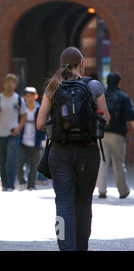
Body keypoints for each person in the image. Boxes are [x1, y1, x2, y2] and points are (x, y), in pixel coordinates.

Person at [36, 47, 110, 251]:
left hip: (60, 153)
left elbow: (40, 122)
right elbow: (107, 120)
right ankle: (81, 247)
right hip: (88, 152)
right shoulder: (94, 85)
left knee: (63, 203)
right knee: (84, 203)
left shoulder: (53, 86)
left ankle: (65, 247)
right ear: (81, 62)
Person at [97, 72, 134, 199]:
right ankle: (123, 191)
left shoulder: (102, 96)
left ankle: (102, 190)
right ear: (119, 82)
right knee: (119, 162)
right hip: (118, 134)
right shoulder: (123, 97)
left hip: (102, 133)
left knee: (103, 161)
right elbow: (130, 116)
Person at [0, 73, 27, 191]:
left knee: (11, 159)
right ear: (4, 84)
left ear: (16, 85)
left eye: (12, 82)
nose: (10, 84)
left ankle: (10, 185)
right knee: (1, 159)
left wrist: (18, 128)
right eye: (8, 82)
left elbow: (24, 115)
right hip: (0, 133)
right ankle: (4, 183)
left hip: (13, 133)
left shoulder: (19, 99)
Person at [17, 87, 45, 191]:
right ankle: (22, 181)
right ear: (24, 97)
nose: (29, 98)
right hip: (22, 142)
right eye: (27, 96)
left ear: (36, 96)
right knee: (19, 163)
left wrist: (43, 141)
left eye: (32, 96)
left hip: (35, 142)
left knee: (34, 166)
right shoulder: (21, 109)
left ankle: (31, 185)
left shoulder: (39, 110)